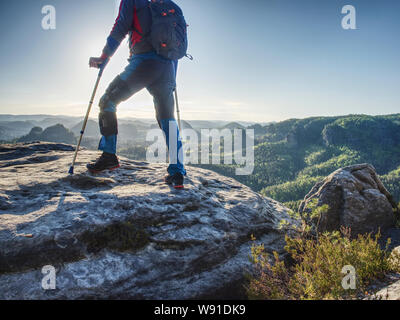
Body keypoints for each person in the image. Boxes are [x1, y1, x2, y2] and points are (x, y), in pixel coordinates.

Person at [87, 0, 186, 189]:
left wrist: (103, 57)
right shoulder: (170, 5)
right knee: (167, 118)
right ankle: (178, 172)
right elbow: (177, 44)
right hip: (167, 67)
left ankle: (109, 156)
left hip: (143, 62)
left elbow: (120, 28)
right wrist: (172, 77)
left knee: (107, 101)